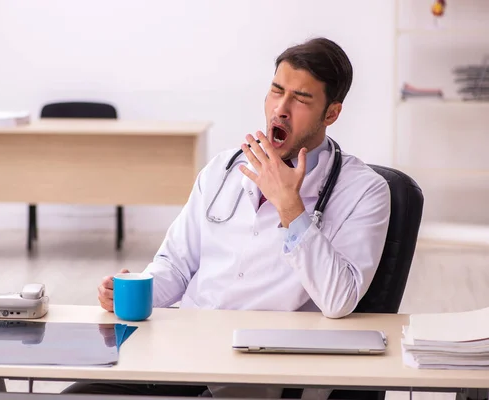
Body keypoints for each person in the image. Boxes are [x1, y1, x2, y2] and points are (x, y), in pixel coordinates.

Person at [63, 37, 391, 398]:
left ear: (331, 113)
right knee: (81, 392)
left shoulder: (364, 191)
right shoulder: (223, 169)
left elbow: (339, 299)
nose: (280, 109)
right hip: (182, 352)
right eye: (276, 90)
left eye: (300, 99)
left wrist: (290, 208)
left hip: (257, 369)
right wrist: (137, 290)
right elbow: (176, 263)